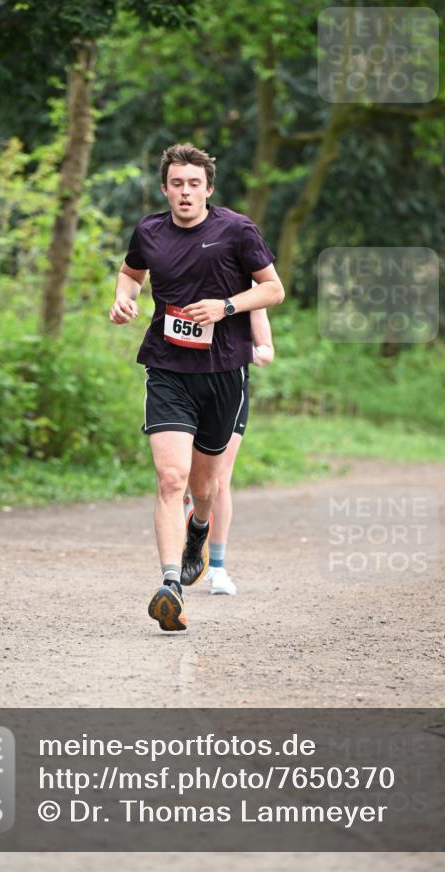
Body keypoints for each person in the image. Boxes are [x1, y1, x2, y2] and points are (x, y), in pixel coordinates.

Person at [109, 142, 284, 632]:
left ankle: (199, 529)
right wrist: (123, 301)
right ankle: (170, 585)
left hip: (224, 372)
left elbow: (274, 289)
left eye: (194, 184)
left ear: (208, 189)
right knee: (170, 479)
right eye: (176, 184)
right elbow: (130, 274)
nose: (185, 192)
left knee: (204, 488)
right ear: (165, 189)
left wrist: (226, 307)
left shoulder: (236, 230)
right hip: (166, 369)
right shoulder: (149, 231)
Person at [184, 308, 275, 596]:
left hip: (229, 387)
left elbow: (267, 348)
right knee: (182, 476)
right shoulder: (182, 273)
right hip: (182, 382)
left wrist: (259, 352)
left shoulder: (245, 286)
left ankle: (217, 567)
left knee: (219, 478)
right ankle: (180, 559)